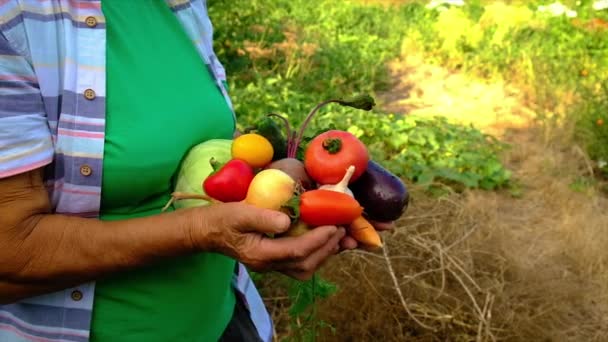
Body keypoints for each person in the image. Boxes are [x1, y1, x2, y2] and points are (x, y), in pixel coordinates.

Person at [0, 1, 393, 341]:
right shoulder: (13, 18)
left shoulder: (178, 5)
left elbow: (186, 141)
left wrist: (305, 187)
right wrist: (199, 230)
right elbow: (10, 252)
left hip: (228, 317)